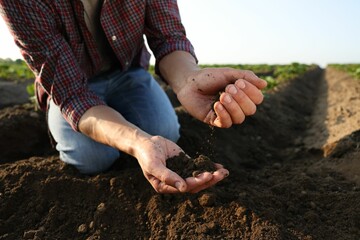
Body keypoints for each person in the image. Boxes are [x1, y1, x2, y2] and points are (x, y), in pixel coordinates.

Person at [0, 1, 267, 194]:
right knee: (90, 157)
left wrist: (189, 80)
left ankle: (124, 125)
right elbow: (74, 95)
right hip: (72, 84)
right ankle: (57, 120)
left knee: (165, 131)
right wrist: (139, 142)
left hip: (127, 72)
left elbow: (167, 37)